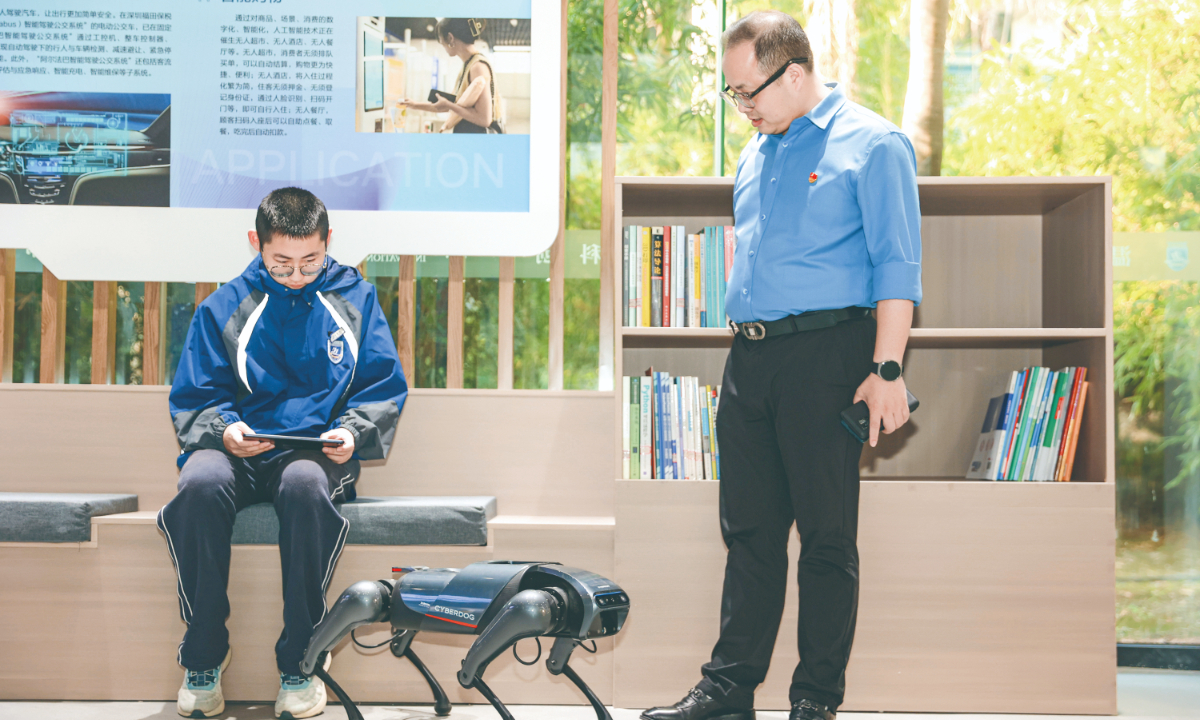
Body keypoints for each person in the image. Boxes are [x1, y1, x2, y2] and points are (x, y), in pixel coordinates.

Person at [642, 11, 921, 720]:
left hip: (829, 355)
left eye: (748, 91)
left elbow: (897, 266)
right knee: (750, 534)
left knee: (827, 537)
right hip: (750, 360)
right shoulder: (756, 152)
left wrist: (886, 371)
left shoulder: (874, 143)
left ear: (794, 72)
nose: (743, 106)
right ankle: (730, 689)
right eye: (732, 94)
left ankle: (814, 701)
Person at [158, 187, 408, 719]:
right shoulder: (222, 306)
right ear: (257, 244)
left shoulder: (356, 299)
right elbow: (195, 397)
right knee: (198, 483)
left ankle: (302, 659)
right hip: (238, 449)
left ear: (328, 242)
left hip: (314, 454)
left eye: (309, 261)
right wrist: (224, 431)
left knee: (303, 485)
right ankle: (204, 653)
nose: (297, 274)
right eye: (282, 263)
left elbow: (382, 385)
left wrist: (353, 431)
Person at [397, 17, 503, 134]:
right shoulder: (468, 65)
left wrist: (449, 105)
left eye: (442, 43)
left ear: (450, 38)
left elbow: (484, 119)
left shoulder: (477, 67)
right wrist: (414, 105)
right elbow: (455, 105)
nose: (443, 46)